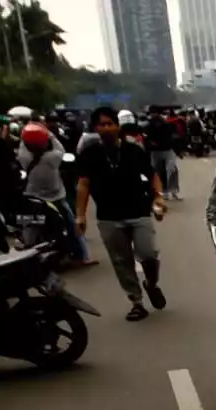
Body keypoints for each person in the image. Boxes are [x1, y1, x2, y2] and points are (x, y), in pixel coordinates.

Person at [75, 107, 168, 322]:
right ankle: (136, 302)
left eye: (110, 123)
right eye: (101, 125)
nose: (106, 128)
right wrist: (80, 216)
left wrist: (159, 197)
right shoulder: (89, 154)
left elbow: (152, 175)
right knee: (121, 261)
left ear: (118, 126)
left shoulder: (134, 150)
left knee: (149, 254)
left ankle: (151, 284)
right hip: (109, 217)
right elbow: (83, 185)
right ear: (96, 128)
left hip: (139, 211)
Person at [18, 123, 93, 267]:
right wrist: (48, 133)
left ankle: (27, 254)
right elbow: (61, 148)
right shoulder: (52, 157)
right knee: (73, 228)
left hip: (33, 198)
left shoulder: (24, 156)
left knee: (29, 225)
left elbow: (23, 143)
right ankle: (82, 256)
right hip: (56, 199)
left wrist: (27, 134)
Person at [145, 111, 180, 200]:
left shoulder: (167, 124)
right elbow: (147, 139)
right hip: (158, 151)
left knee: (168, 170)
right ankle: (165, 191)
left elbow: (175, 137)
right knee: (163, 171)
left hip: (165, 150)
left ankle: (170, 191)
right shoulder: (149, 125)